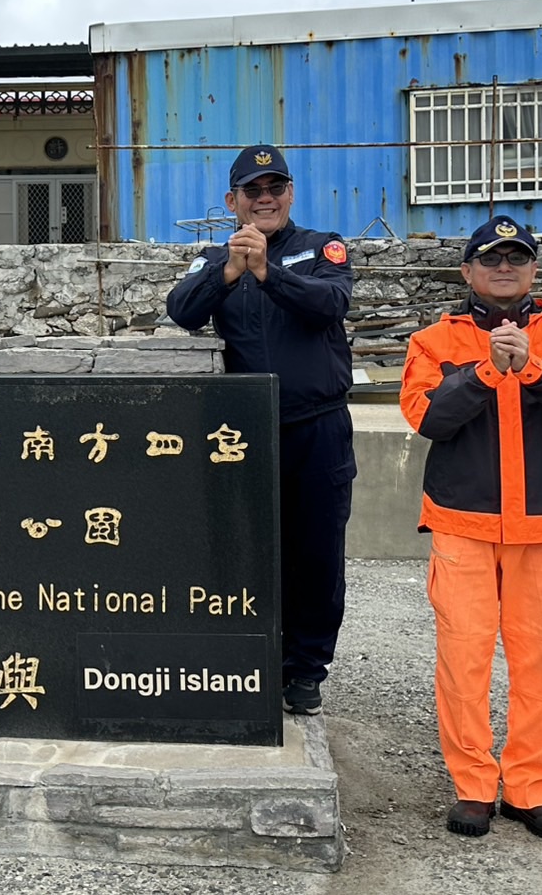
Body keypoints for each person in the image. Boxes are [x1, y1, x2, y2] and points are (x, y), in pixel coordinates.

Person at [400, 215, 542, 841]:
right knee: (463, 662)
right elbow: (426, 417)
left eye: (516, 258)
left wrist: (536, 368)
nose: (504, 268)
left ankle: (528, 790)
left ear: (534, 270)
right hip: (463, 527)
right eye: (490, 258)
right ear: (467, 271)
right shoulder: (433, 342)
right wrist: (484, 372)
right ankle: (473, 788)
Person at [166, 143, 356, 717]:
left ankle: (305, 670)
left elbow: (330, 304)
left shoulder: (321, 248)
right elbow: (181, 310)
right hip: (241, 435)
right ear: (233, 201)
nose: (265, 199)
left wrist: (269, 274)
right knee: (240, 550)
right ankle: (249, 660)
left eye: (275, 188)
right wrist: (228, 273)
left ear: (290, 194)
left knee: (316, 554)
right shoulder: (215, 256)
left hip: (317, 428)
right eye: (253, 191)